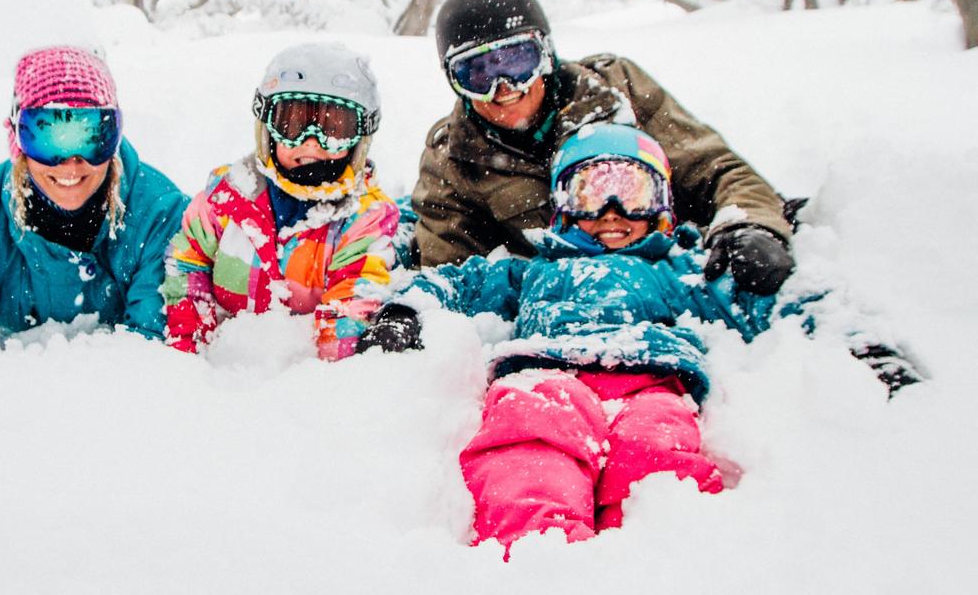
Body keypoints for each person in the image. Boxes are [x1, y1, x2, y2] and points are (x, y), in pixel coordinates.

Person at [373, 124, 916, 557]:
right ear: (564, 204)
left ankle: (662, 559)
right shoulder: (532, 269)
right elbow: (456, 281)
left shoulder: (680, 271)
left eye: (630, 192)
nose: (611, 213)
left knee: (656, 456)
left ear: (661, 204)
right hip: (546, 375)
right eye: (591, 192)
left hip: (651, 383)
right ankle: (539, 556)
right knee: (531, 447)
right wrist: (404, 309)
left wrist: (864, 346)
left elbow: (784, 299)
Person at [413, 0, 796, 297]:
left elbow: (715, 168)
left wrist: (749, 225)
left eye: (516, 62)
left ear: (546, 54)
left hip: (668, 275)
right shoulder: (453, 156)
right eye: (476, 74)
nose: (503, 87)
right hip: (569, 296)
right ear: (454, 82)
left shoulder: (617, 88)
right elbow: (452, 271)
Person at [0, 45, 188, 338]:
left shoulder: (159, 216)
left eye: (92, 138)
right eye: (47, 138)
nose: (71, 165)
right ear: (18, 142)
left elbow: (155, 345)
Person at [162, 42, 400, 361]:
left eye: (335, 128)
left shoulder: (364, 219)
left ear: (360, 137)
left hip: (296, 383)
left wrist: (309, 382)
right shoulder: (224, 198)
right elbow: (187, 265)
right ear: (268, 128)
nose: (313, 142)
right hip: (223, 369)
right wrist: (189, 352)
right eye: (295, 123)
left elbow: (350, 307)